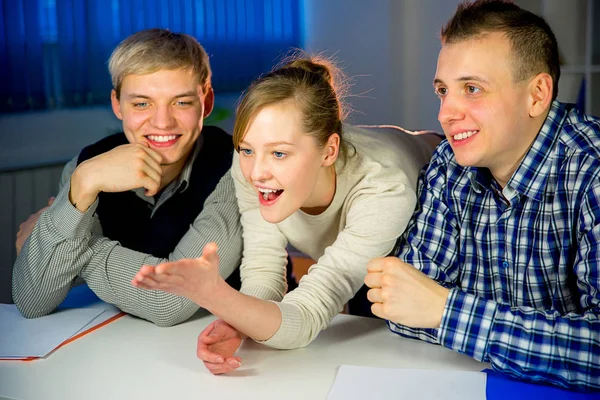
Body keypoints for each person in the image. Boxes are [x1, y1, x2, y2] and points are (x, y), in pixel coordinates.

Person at [132, 55, 437, 373]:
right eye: (248, 149)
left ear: (329, 151)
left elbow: (307, 317)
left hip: (424, 225)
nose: (258, 173)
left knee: (384, 329)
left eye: (279, 153)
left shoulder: (383, 187)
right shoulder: (249, 164)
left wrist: (216, 295)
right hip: (359, 232)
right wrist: (239, 321)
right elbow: (263, 272)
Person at [364, 0, 600, 392]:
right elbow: (401, 308)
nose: (445, 114)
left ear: (538, 94)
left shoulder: (591, 170)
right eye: (442, 91)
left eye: (472, 89)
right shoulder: (449, 164)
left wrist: (446, 310)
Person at [12, 28, 243, 327]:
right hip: (127, 346)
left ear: (206, 102)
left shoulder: (236, 166)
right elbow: (33, 300)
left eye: (182, 102)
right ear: (117, 104)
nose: (162, 122)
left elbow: (170, 301)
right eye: (141, 103)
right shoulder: (87, 171)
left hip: (229, 345)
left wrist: (76, 244)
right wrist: (83, 183)